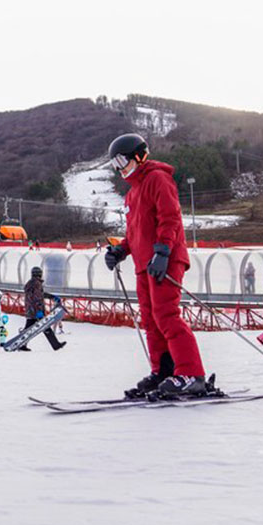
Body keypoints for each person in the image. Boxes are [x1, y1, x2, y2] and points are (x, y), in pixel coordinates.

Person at [103, 133, 207, 398]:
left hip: (166, 260)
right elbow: (136, 234)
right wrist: (121, 250)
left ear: (138, 156)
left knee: (166, 315)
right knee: (150, 321)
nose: (119, 168)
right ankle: (164, 371)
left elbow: (170, 218)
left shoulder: (157, 179)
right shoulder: (132, 193)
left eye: (121, 161)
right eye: (114, 164)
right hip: (144, 264)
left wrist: (162, 251)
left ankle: (190, 374)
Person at [19, 267, 66, 351]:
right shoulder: (37, 283)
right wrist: (39, 310)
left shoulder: (30, 283)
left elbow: (40, 294)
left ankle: (22, 344)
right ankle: (56, 345)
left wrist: (51, 297)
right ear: (39, 274)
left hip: (30, 310)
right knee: (45, 327)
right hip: (36, 311)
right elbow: (38, 298)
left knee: (28, 329)